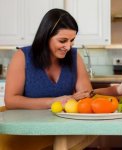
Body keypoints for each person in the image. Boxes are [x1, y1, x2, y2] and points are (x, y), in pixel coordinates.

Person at [1, 8, 97, 150]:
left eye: (72, 41)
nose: (68, 47)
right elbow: (11, 100)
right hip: (28, 130)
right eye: (63, 40)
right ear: (46, 36)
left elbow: (85, 96)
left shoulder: (74, 57)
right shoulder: (22, 56)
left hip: (63, 129)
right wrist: (53, 101)